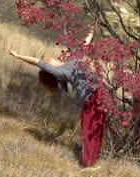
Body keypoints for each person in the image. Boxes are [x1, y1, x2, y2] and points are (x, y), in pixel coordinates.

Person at [8, 23, 105, 167]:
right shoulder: (60, 72)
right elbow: (36, 62)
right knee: (89, 130)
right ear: (51, 69)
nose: (48, 59)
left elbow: (85, 42)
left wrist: (93, 27)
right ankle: (88, 164)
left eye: (48, 59)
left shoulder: (72, 59)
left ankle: (92, 160)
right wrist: (17, 55)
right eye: (47, 62)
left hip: (99, 93)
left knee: (98, 128)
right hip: (89, 100)